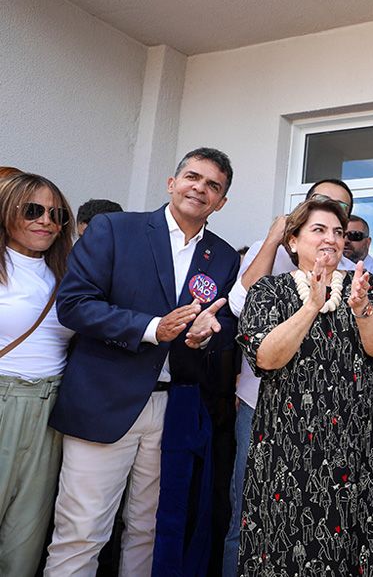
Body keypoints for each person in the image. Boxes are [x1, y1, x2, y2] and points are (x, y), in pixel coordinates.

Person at [45, 148, 240, 576]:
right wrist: (153, 327)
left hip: (172, 409)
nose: (200, 189)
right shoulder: (116, 229)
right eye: (193, 177)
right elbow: (74, 305)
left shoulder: (224, 256)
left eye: (214, 186)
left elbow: (222, 320)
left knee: (151, 531)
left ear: (221, 202)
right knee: (82, 531)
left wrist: (210, 332)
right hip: (106, 401)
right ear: (172, 183)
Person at [236, 197, 373, 575]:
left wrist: (361, 308)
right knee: (285, 542)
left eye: (339, 232)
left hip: (358, 440)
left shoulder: (366, 286)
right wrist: (312, 304)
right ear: (292, 241)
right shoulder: (269, 292)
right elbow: (265, 357)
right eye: (319, 229)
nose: (331, 239)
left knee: (360, 543)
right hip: (289, 445)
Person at [221, 178, 357, 577]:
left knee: (314, 517)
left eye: (339, 213)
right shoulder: (277, 256)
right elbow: (241, 302)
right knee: (248, 514)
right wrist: (274, 239)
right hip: (260, 404)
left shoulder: (348, 272)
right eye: (322, 206)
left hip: (323, 417)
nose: (330, 224)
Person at [0, 173, 75, 576]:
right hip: (3, 397)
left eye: (56, 213)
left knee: (25, 538)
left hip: (51, 410)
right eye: (33, 210)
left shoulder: (68, 275)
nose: (46, 220)